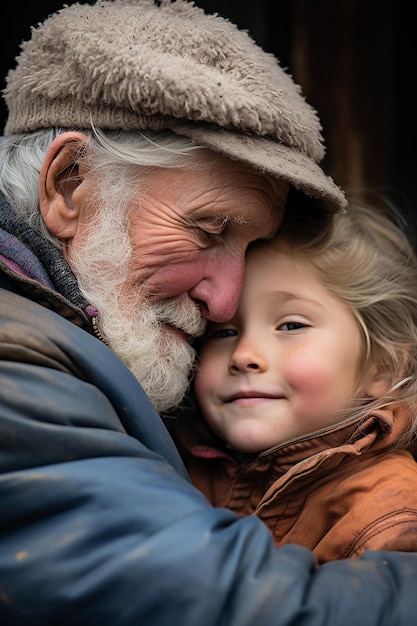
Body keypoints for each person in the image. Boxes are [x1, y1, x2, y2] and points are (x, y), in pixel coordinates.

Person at [0, 1, 416, 624]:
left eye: (247, 248)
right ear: (68, 184)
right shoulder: (16, 353)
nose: (223, 301)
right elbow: (220, 602)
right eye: (210, 228)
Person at [170, 199, 417, 564]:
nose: (244, 355)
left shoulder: (388, 515)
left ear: (382, 367)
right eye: (223, 333)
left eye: (291, 325)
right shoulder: (172, 462)